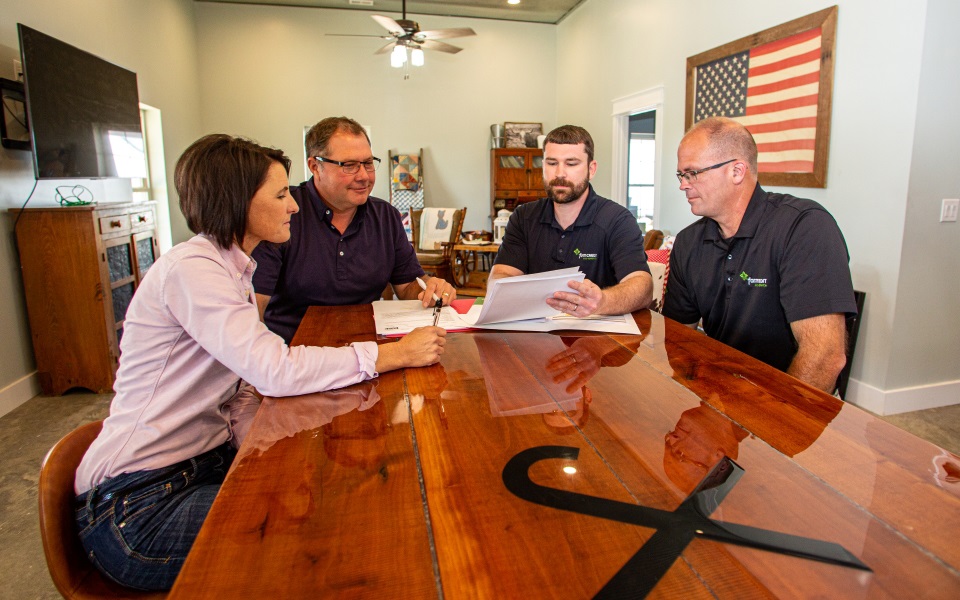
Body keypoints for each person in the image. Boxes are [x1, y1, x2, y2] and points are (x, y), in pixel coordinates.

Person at [73, 134, 446, 591]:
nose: (293, 205)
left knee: (334, 493)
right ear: (238, 202)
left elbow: (243, 383)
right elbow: (273, 369)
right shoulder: (193, 270)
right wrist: (392, 355)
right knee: (320, 538)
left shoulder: (232, 268)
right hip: (139, 504)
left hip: (198, 467)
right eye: (279, 194)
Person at [663, 116, 856, 392]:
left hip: (793, 400)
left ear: (737, 171)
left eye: (692, 173)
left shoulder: (804, 227)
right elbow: (678, 338)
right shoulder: (688, 242)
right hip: (721, 392)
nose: (683, 185)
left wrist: (773, 424)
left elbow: (825, 358)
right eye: (681, 175)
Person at [252, 116, 456, 343]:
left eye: (368, 163)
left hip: (370, 351)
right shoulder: (284, 212)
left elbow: (407, 284)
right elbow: (254, 309)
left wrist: (429, 287)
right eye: (349, 166)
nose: (364, 176)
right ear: (314, 166)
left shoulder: (385, 216)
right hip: (295, 354)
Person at [489, 125, 653, 316]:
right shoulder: (523, 217)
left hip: (599, 337)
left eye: (571, 163)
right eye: (551, 163)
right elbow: (501, 276)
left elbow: (643, 286)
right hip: (535, 332)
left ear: (591, 169)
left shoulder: (618, 220)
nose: (559, 173)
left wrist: (603, 302)